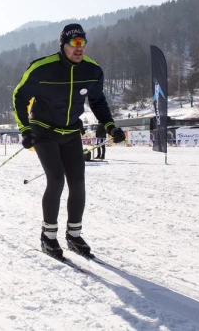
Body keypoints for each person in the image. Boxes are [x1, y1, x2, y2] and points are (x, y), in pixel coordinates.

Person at [13, 23, 126, 258]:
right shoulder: (42, 68)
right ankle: (48, 236)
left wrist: (110, 126)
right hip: (44, 130)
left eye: (82, 43)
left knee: (78, 182)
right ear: (63, 45)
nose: (79, 48)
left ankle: (74, 235)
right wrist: (25, 129)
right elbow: (19, 96)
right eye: (74, 43)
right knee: (56, 179)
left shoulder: (92, 71)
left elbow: (98, 102)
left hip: (72, 132)